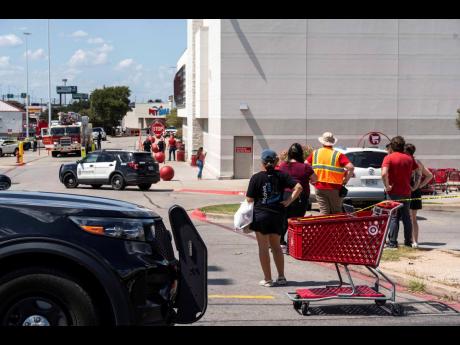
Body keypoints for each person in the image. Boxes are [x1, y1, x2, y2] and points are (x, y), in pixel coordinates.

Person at [246, 149, 303, 287]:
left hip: (261, 216)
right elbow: (299, 187)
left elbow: (249, 199)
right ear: (276, 161)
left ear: (263, 162)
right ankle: (282, 277)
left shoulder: (256, 178)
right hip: (277, 215)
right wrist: (289, 201)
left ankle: (268, 279)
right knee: (276, 247)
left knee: (263, 248)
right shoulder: (282, 175)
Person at [278, 143, 317, 253]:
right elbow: (315, 179)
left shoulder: (282, 165)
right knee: (296, 221)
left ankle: (281, 243)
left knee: (284, 220)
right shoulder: (305, 167)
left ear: (289, 154)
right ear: (301, 154)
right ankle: (293, 245)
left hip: (285, 195)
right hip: (300, 197)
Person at [381, 136, 418, 248]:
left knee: (393, 217)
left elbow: (383, 173)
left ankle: (392, 242)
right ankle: (408, 242)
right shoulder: (409, 158)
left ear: (392, 146)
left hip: (393, 192)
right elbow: (417, 171)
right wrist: (414, 186)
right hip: (406, 191)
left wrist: (387, 186)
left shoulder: (389, 158)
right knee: (407, 217)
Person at [306, 132, 355, 215]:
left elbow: (305, 165)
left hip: (319, 186)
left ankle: (323, 228)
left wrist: (310, 178)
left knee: (324, 211)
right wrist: (345, 180)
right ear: (332, 143)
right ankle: (336, 228)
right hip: (335, 187)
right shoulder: (338, 155)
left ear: (322, 142)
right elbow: (351, 167)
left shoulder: (315, 153)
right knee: (336, 211)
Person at [404, 143, 434, 249]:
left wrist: (419, 185)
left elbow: (429, 175)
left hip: (408, 190)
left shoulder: (409, 162)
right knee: (413, 217)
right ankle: (415, 241)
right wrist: (420, 185)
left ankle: (411, 240)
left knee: (407, 217)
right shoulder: (418, 162)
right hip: (415, 190)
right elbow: (429, 175)